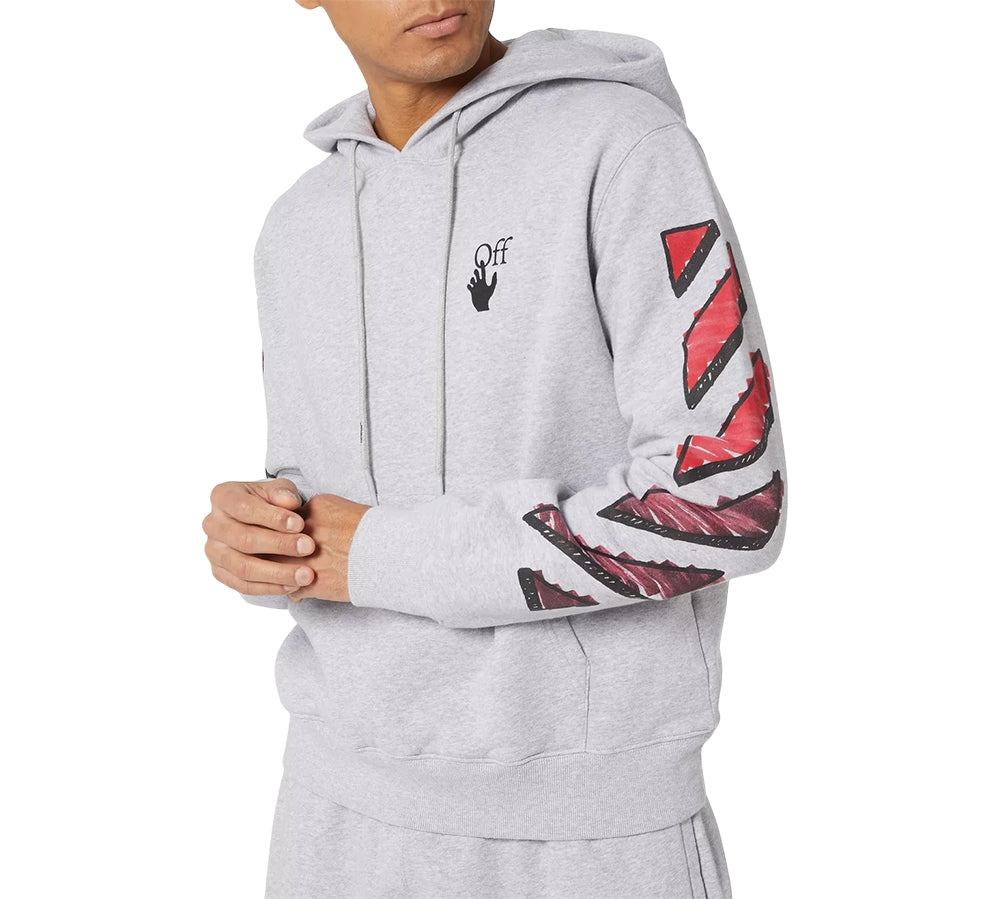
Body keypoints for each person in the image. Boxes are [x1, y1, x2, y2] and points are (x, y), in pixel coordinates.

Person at [202, 2, 787, 896]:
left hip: (587, 838)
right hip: (331, 822)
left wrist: (383, 553)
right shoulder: (297, 227)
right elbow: (335, 516)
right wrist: (266, 542)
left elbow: (730, 502)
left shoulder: (625, 148)